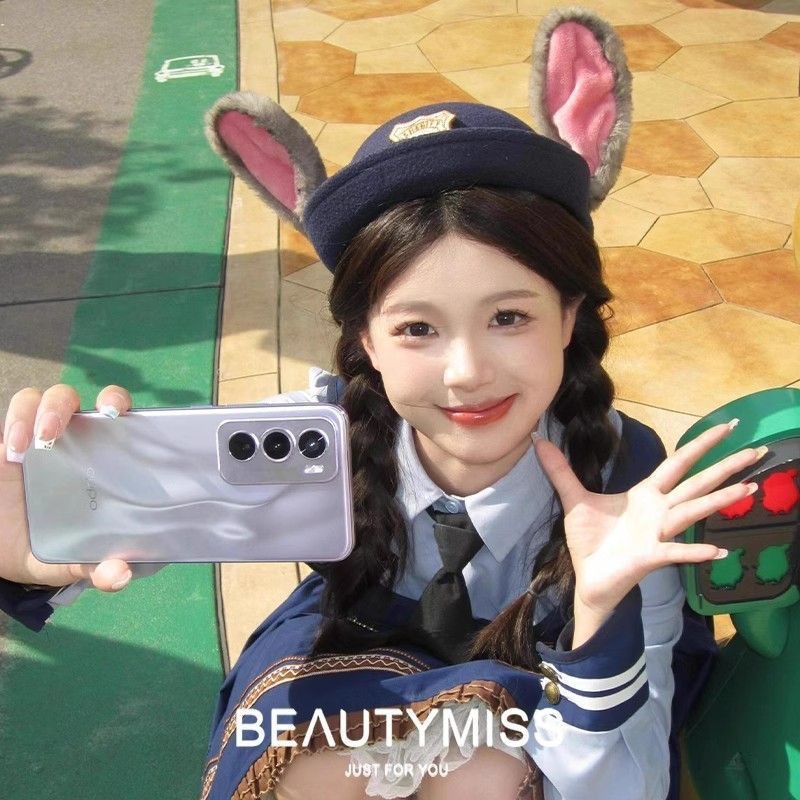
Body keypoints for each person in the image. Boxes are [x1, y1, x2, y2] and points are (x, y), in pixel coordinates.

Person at [0, 8, 760, 800]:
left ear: (570, 316)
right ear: (364, 338)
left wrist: (602, 621)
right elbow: (147, 515)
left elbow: (625, 785)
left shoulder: (626, 483)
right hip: (350, 658)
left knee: (480, 775)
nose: (467, 373)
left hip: (559, 692)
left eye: (509, 317)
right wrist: (32, 545)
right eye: (417, 328)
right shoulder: (313, 436)